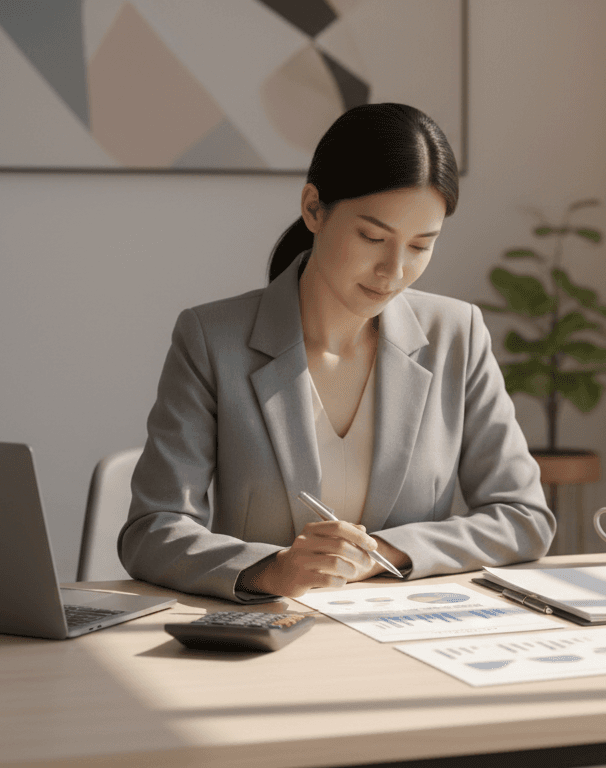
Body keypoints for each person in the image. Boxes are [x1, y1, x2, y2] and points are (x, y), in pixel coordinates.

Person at [119, 103, 554, 603]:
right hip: (265, 640)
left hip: (411, 636)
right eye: (373, 237)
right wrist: (269, 570)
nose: (393, 270)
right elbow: (152, 531)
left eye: (420, 246)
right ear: (313, 209)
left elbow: (524, 518)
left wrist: (386, 551)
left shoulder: (458, 334)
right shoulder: (211, 339)